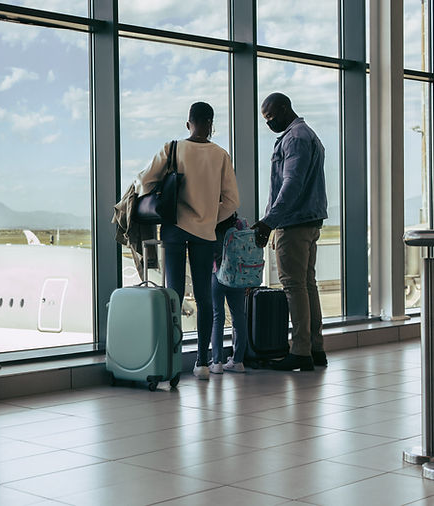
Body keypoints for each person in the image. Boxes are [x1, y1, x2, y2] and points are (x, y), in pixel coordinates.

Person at [136, 102, 239, 380]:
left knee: (174, 295)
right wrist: (209, 218)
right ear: (211, 124)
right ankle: (202, 362)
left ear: (188, 124)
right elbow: (232, 201)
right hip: (205, 234)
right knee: (205, 297)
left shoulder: (172, 148)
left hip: (173, 229)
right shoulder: (220, 155)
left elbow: (144, 181)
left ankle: (171, 361)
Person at [252, 93, 328, 371]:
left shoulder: (294, 138)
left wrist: (268, 221)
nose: (268, 122)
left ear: (285, 108)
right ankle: (315, 348)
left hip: (293, 224)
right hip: (310, 221)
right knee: (308, 284)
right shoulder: (310, 135)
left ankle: (300, 351)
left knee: (294, 286)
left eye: (270, 116)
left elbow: (291, 184)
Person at [210, 214, 248, 373]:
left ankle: (217, 362)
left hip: (218, 274)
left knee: (217, 315)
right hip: (238, 276)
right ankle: (238, 361)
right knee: (239, 316)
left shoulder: (213, 225)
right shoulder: (240, 224)